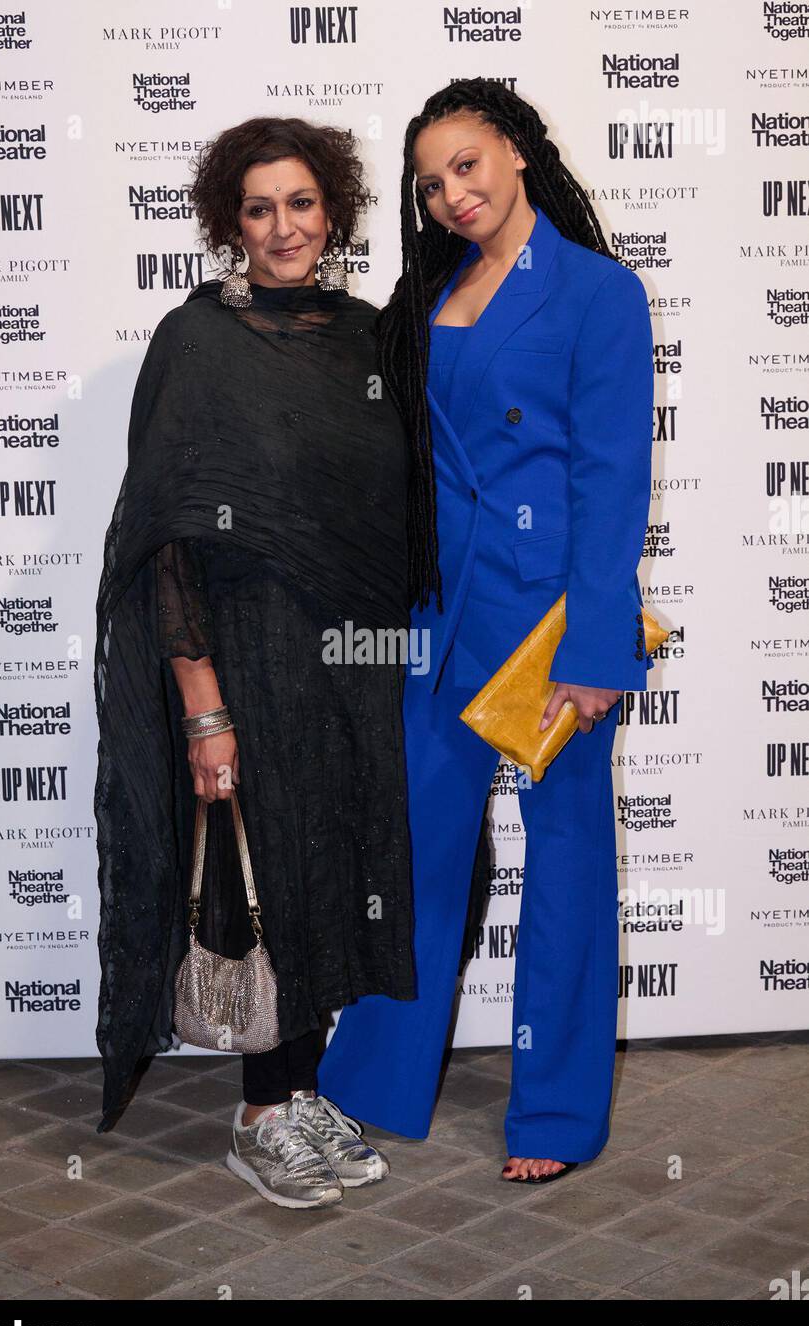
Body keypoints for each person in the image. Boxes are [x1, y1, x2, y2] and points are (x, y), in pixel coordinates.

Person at [316, 79, 656, 1184]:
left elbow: (612, 476)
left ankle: (553, 1116)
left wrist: (597, 647)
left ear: (513, 152)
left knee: (563, 864)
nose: (450, 192)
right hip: (437, 612)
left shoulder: (598, 292)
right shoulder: (429, 292)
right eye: (429, 181)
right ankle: (368, 1080)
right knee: (409, 853)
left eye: (466, 164)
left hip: (549, 624)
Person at [93, 116, 417, 1209]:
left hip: (353, 663)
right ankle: (257, 1116)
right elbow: (169, 539)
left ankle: (304, 1088)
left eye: (301, 203)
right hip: (246, 654)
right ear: (228, 223)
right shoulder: (197, 342)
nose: (283, 228)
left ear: (333, 210)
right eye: (258, 208)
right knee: (264, 870)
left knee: (332, 872)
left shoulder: (365, 337)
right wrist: (201, 706)